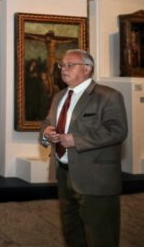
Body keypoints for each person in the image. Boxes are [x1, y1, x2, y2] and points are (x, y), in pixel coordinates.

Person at [40, 49, 128, 247]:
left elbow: (118, 130)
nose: (64, 69)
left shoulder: (108, 96)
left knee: (100, 235)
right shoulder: (60, 96)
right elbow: (46, 122)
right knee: (72, 232)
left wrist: (76, 140)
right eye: (62, 65)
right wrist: (46, 133)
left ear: (87, 69)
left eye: (70, 65)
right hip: (64, 174)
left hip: (95, 178)